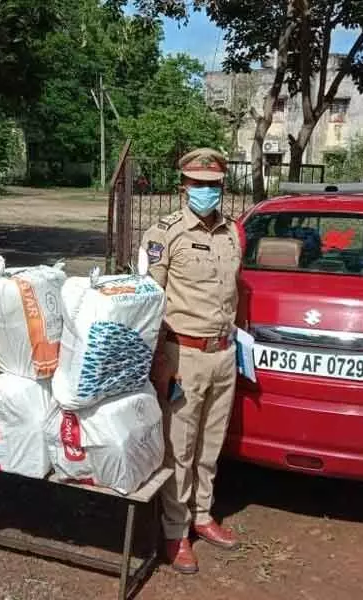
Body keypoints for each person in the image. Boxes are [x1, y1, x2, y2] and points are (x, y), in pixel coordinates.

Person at [141, 147, 242, 575]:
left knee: (210, 446)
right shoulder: (164, 233)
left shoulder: (233, 232)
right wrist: (159, 362)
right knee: (179, 449)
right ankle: (175, 531)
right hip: (183, 355)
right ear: (183, 186)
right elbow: (146, 301)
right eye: (198, 184)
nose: (206, 191)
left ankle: (202, 514)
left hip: (223, 354)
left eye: (213, 185)